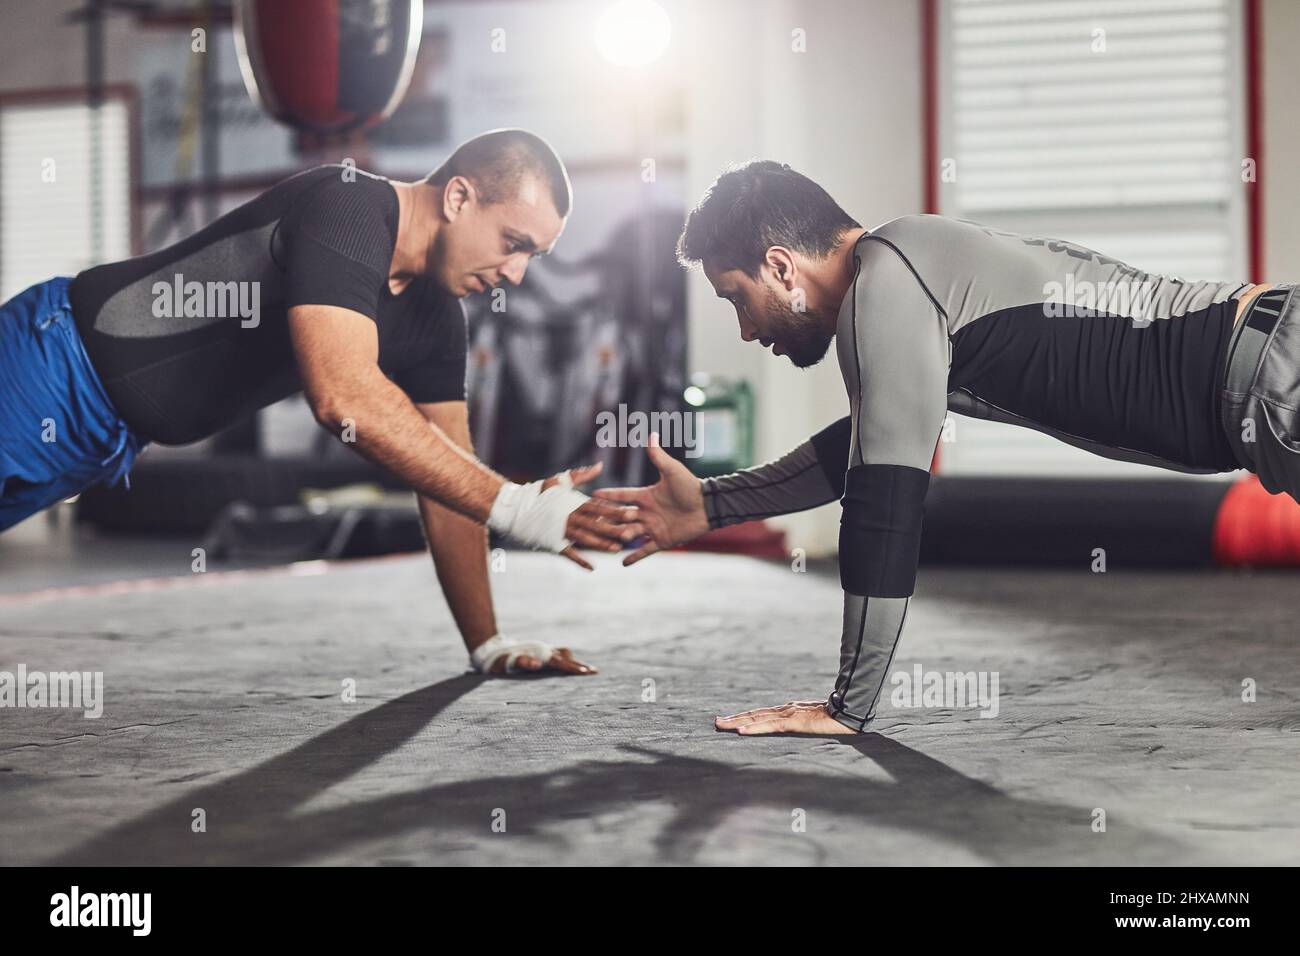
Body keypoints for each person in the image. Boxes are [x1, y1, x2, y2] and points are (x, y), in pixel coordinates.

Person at [597, 159, 1291, 734]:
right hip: (1267, 374)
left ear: (780, 267)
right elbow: (868, 449)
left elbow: (884, 504)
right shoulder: (906, 269)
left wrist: (847, 708)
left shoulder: (889, 284)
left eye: (736, 298)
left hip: (1273, 379)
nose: (746, 330)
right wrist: (711, 506)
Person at [0, 128, 642, 676]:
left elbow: (449, 478)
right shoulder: (349, 206)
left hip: (100, 442)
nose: (518, 274)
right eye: (513, 242)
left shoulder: (438, 323)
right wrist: (519, 507)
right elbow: (342, 396)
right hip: (48, 366)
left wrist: (488, 644)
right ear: (457, 197)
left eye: (535, 255)